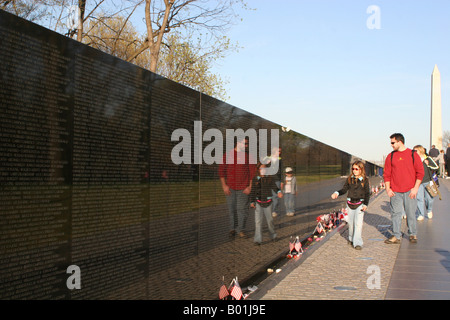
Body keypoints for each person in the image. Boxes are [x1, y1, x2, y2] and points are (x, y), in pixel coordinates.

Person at [383, 133, 424, 244]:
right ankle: (396, 235)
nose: (391, 145)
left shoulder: (412, 154)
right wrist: (388, 189)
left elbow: (420, 173)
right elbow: (387, 174)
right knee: (395, 214)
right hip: (395, 191)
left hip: (410, 190)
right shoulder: (390, 156)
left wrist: (415, 188)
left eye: (393, 142)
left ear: (400, 142)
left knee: (410, 213)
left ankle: (412, 234)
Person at [219, 137, 257, 238]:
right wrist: (224, 186)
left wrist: (249, 187)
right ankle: (233, 228)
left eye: (247, 144)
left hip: (243, 188)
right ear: (237, 143)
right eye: (244, 144)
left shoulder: (249, 156)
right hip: (230, 188)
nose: (246, 146)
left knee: (242, 210)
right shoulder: (228, 155)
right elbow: (221, 171)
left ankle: (241, 229)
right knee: (232, 209)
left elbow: (252, 173)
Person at [331, 161, 370, 250]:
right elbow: (344, 190)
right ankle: (351, 239)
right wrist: (337, 193)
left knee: (358, 224)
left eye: (356, 169)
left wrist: (365, 204)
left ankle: (358, 243)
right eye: (353, 169)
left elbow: (367, 193)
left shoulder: (365, 180)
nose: (354, 171)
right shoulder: (349, 179)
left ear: (361, 169)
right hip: (350, 204)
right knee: (351, 224)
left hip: (360, 204)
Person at [249, 163, 283, 245]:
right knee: (258, 222)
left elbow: (275, 187)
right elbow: (253, 191)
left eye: (264, 169)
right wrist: (252, 201)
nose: (263, 170)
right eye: (261, 169)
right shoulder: (255, 179)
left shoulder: (269, 179)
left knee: (270, 220)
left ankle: (273, 236)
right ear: (258, 170)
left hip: (268, 203)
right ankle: (257, 240)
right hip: (258, 203)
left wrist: (278, 192)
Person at [413, 145, 438, 220]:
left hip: (427, 181)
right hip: (418, 182)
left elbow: (436, 167)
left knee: (429, 198)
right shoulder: (413, 160)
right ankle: (421, 214)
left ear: (420, 151)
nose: (414, 152)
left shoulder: (428, 158)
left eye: (415, 151)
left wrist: (428, 164)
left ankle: (429, 210)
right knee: (419, 198)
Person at [264, 147, 283, 218]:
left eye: (280, 151)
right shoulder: (267, 158)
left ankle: (274, 210)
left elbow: (282, 171)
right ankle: (268, 210)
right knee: (269, 196)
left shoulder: (280, 160)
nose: (280, 153)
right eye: (278, 151)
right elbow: (261, 166)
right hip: (268, 179)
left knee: (276, 196)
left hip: (277, 180)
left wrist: (282, 181)